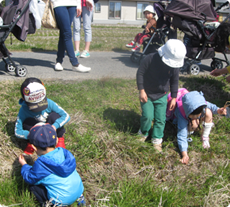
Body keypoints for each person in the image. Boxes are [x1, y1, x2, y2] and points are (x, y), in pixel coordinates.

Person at [136, 39, 187, 152]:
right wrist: (141, 90)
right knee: (148, 116)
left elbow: (174, 81)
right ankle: (143, 133)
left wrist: (174, 97)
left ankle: (157, 139)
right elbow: (140, 73)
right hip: (147, 94)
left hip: (162, 95)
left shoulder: (174, 67)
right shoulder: (150, 58)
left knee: (160, 119)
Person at [18, 124, 85, 206]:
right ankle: (80, 199)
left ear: (34, 147)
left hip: (61, 200)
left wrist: (24, 165)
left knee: (33, 186)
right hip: (79, 190)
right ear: (57, 141)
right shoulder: (65, 153)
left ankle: (49, 204)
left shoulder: (42, 164)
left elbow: (29, 178)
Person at [167, 90, 226, 165]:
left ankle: (205, 136)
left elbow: (211, 106)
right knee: (194, 124)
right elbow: (181, 135)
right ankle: (190, 130)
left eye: (198, 115)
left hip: (192, 113)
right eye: (193, 116)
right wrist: (184, 154)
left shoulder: (200, 103)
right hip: (183, 118)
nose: (196, 117)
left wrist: (218, 110)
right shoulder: (181, 112)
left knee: (208, 112)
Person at [15, 77, 70, 155]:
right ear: (24, 99)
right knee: (27, 122)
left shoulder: (49, 103)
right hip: (36, 133)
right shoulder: (23, 110)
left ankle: (60, 138)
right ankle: (32, 144)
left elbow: (66, 115)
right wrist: (32, 135)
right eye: (34, 105)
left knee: (54, 116)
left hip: (51, 130)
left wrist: (54, 126)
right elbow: (17, 131)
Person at [52, 0, 91, 72]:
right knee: (67, 33)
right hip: (59, 3)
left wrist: (78, 4)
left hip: (72, 3)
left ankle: (59, 61)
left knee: (63, 33)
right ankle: (75, 63)